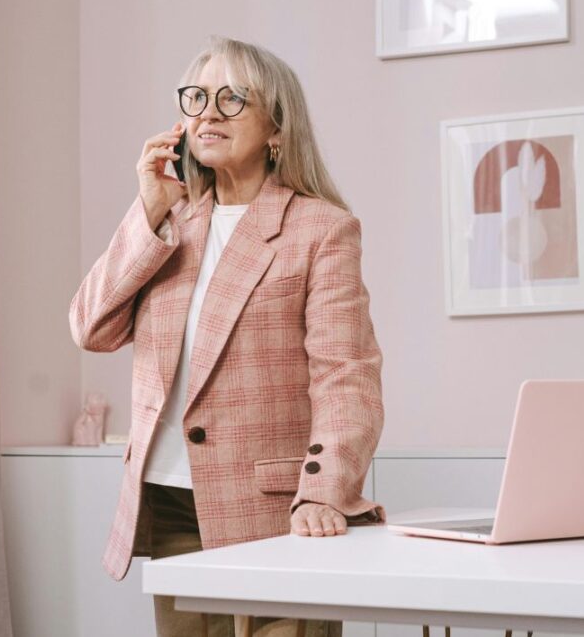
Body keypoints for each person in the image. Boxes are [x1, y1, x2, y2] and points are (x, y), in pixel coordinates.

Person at [69, 35, 386, 637]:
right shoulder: (171, 223)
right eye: (196, 97)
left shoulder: (321, 228)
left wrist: (325, 492)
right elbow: (91, 327)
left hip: (277, 513)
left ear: (276, 128)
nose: (208, 113)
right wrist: (147, 210)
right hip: (170, 504)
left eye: (232, 98)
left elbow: (347, 377)